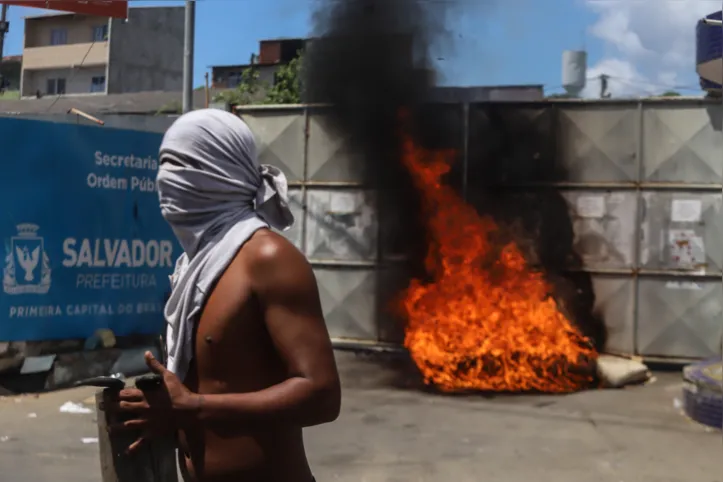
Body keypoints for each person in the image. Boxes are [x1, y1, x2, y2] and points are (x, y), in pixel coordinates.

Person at [108, 109, 341, 482]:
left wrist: (193, 408)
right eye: (163, 164)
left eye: (182, 164)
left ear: (223, 171)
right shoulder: (191, 267)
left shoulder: (268, 258)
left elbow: (323, 396)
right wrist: (160, 415)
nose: (166, 179)